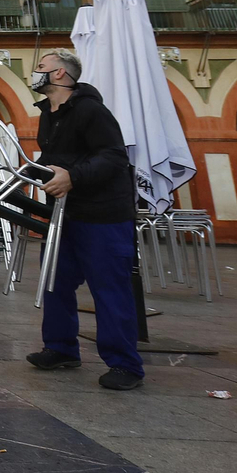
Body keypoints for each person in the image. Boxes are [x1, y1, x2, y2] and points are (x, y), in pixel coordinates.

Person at [26, 49, 144, 391]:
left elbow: (113, 156)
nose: (37, 72)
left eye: (42, 67)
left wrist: (73, 177)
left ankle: (126, 365)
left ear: (60, 74)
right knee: (55, 281)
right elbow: (54, 159)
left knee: (109, 289)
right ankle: (61, 348)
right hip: (66, 215)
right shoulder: (49, 113)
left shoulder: (91, 110)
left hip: (104, 215)